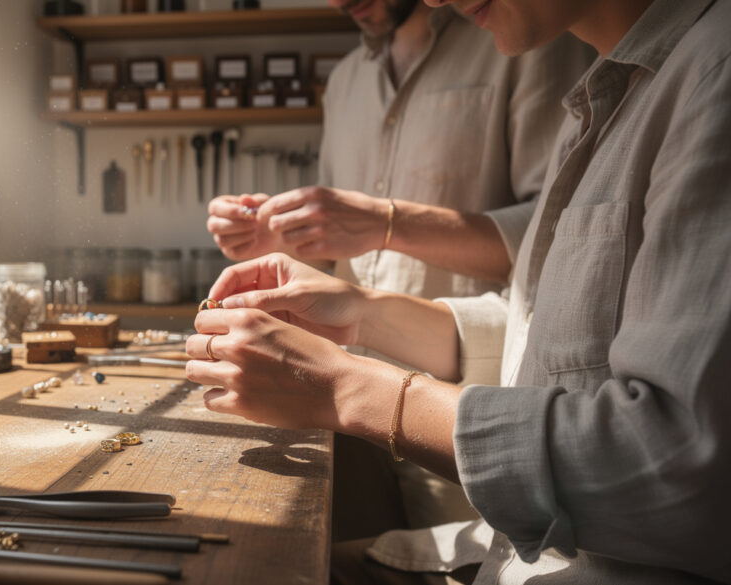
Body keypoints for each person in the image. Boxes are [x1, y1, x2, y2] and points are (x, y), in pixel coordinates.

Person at [186, 0, 731, 583]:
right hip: (510, 547)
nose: (435, 0)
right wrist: (362, 314)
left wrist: (348, 388)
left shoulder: (710, 75)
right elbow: (545, 336)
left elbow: (677, 467)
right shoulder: (597, 94)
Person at [210, 0, 594, 539]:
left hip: (470, 409)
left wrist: (389, 222)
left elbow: (558, 235)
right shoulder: (345, 81)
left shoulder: (527, 37)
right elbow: (335, 257)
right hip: (340, 409)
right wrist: (278, 236)